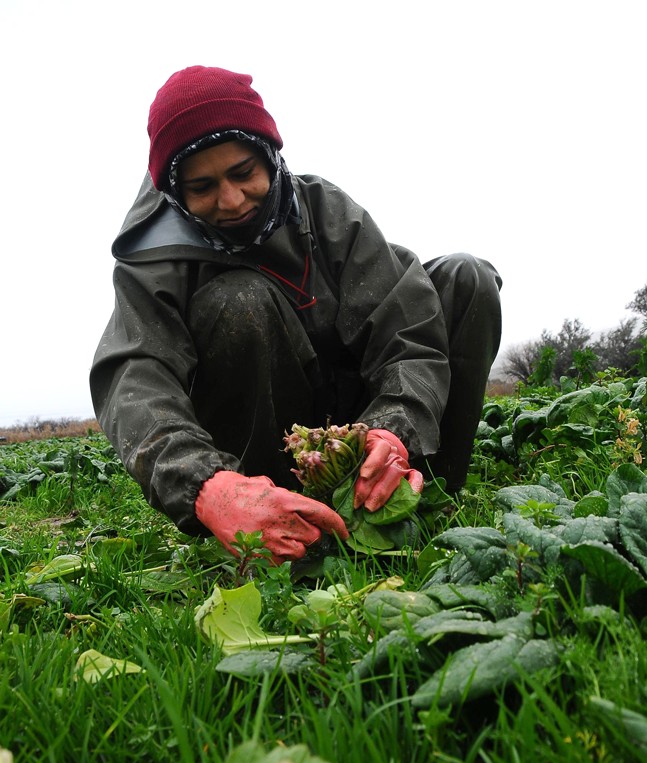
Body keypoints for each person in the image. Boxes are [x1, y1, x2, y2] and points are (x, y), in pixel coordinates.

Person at [90, 65, 502, 564]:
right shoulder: (153, 260)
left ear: (270, 155)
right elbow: (136, 379)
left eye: (243, 173)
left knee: (467, 277)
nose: (231, 200)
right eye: (202, 187)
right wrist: (203, 484)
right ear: (175, 192)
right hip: (267, 447)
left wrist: (395, 426)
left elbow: (406, 332)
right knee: (239, 299)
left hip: (357, 414)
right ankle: (279, 528)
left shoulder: (325, 209)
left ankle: (424, 497)